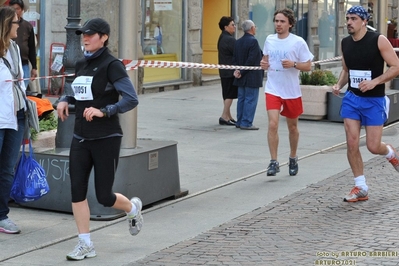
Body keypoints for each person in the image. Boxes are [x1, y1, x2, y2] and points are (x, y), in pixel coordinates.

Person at [56, 18, 142, 260]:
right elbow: (76, 92)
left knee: (104, 196)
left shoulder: (112, 65)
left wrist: (105, 111)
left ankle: (133, 208)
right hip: (80, 137)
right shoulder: (82, 63)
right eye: (83, 34)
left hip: (106, 137)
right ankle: (85, 244)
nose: (85, 38)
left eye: (90, 34)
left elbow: (131, 98)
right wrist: (64, 100)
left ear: (104, 37)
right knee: (77, 191)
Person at [332, 6, 399, 202]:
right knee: (352, 142)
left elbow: (396, 67)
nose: (349, 22)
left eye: (353, 18)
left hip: (374, 100)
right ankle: (360, 186)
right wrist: (338, 84)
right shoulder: (345, 43)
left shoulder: (378, 40)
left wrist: (375, 82)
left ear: (364, 21)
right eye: (347, 18)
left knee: (372, 146)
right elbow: (346, 70)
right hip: (352, 99)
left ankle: (389, 152)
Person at [260, 8, 313, 176]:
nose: (278, 24)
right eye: (276, 21)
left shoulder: (298, 42)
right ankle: (273, 162)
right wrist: (263, 64)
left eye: (282, 21)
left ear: (290, 23)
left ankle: (293, 156)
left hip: (291, 91)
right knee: (273, 124)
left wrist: (294, 64)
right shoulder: (269, 39)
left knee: (292, 127)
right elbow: (265, 59)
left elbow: (308, 65)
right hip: (273, 88)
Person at [0, 6, 26, 234]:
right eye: (17, 22)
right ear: (6, 24)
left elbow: (20, 80)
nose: (20, 25)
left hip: (16, 115)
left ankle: (2, 216)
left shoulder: (15, 48)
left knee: (7, 169)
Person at [232, 20, 264, 130]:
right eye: (255, 26)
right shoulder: (253, 42)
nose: (255, 28)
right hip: (251, 76)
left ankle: (240, 121)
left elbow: (234, 58)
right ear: (252, 28)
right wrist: (242, 71)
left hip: (241, 77)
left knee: (241, 99)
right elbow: (252, 59)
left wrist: (237, 70)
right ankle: (246, 122)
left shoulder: (238, 41)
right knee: (250, 99)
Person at [9, 0, 37, 89]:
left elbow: (32, 47)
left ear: (22, 10)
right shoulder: (5, 25)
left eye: (17, 9)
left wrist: (34, 67)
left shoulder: (27, 26)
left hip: (23, 63)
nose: (15, 12)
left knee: (22, 90)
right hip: (10, 64)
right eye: (12, 9)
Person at [217, 16, 237, 126]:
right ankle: (224, 116)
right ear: (226, 27)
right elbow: (237, 52)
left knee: (226, 93)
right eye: (232, 25)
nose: (234, 27)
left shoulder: (222, 37)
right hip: (229, 71)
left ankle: (228, 116)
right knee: (229, 94)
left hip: (224, 70)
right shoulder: (229, 39)